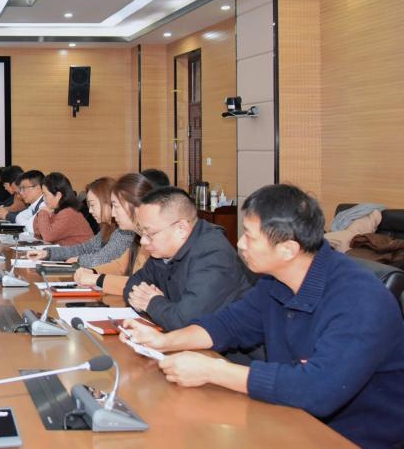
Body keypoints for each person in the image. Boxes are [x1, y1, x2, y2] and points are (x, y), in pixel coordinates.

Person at [123, 184, 404, 448]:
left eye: (250, 236)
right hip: (288, 416)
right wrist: (164, 342)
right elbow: (229, 324)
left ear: (288, 249)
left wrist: (212, 370)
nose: (240, 244)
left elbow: (319, 390)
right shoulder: (276, 280)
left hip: (349, 437)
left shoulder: (359, 299)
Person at [123, 186, 253, 331]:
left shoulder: (213, 255)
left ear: (181, 229)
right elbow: (132, 285)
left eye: (149, 233)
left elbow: (186, 321)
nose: (143, 241)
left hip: (226, 345)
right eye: (141, 232)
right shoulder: (163, 250)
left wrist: (152, 302)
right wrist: (150, 302)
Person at [28, 173, 151, 296]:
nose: (113, 213)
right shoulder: (112, 230)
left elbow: (108, 260)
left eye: (115, 206)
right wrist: (49, 253)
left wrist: (85, 267)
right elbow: (89, 251)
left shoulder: (127, 234)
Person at [31, 172, 93, 245]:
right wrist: (41, 214)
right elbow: (38, 233)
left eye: (45, 195)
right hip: (67, 250)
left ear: (58, 195)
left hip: (83, 252)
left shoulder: (69, 213)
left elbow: (48, 236)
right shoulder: (56, 211)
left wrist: (43, 212)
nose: (44, 199)